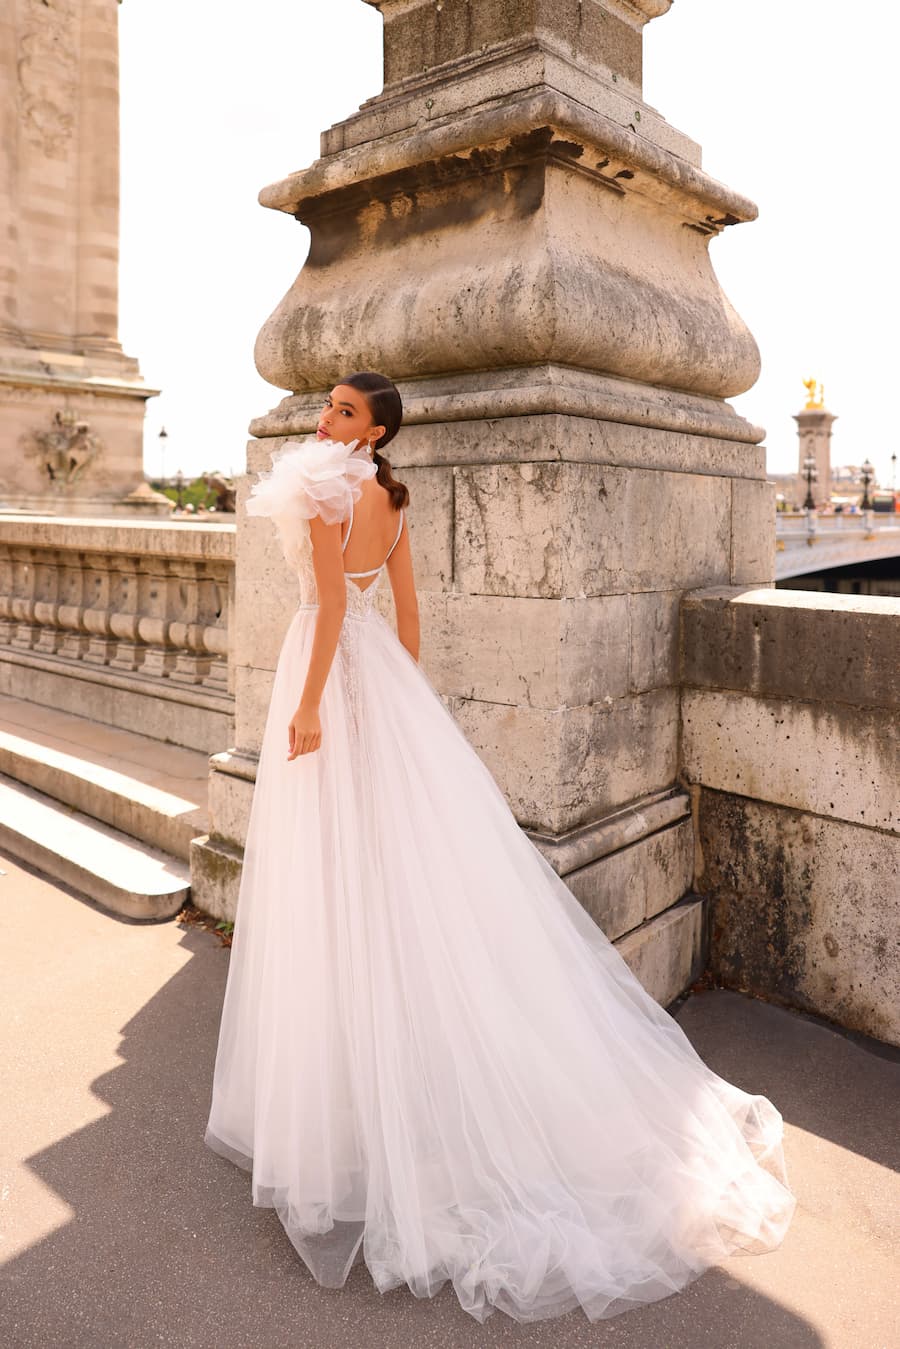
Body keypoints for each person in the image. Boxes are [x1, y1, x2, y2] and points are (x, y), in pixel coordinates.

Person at [204, 371, 797, 1325]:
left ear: (377, 428)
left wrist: (313, 705)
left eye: (345, 411)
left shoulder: (324, 489)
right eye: (329, 406)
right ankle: (393, 1095)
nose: (327, 419)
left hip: (323, 681)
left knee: (337, 879)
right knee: (392, 877)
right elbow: (406, 616)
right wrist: (400, 708)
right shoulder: (393, 498)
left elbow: (319, 602)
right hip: (380, 686)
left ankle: (360, 1112)